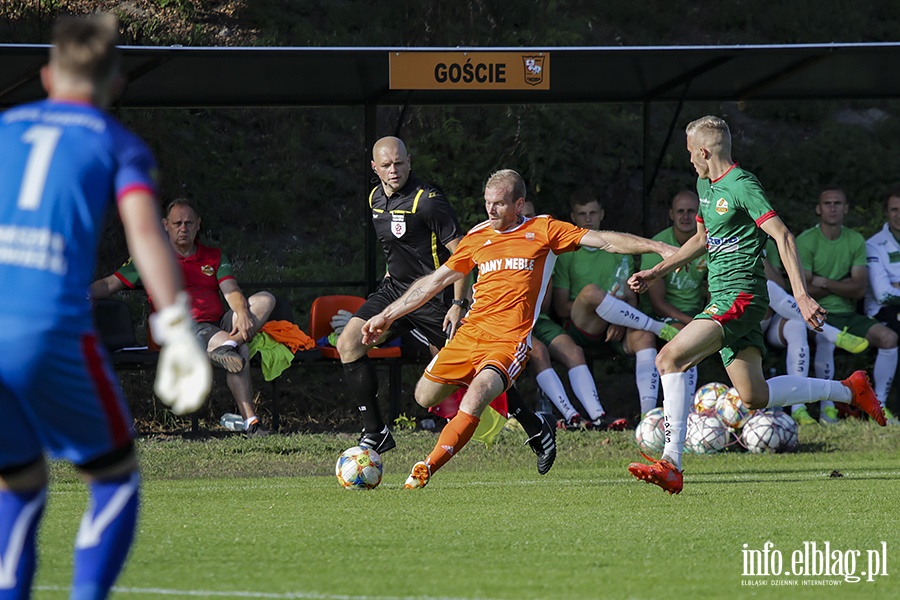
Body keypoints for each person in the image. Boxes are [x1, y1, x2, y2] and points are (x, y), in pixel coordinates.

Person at [0, 13, 210, 599]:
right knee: (114, 480)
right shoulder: (116, 143)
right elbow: (146, 235)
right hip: (48, 330)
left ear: (46, 76)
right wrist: (175, 324)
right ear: (115, 82)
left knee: (16, 481)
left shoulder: (4, 128)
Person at [360, 169, 677, 489]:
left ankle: (426, 467)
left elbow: (605, 240)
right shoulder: (477, 236)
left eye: (498, 204)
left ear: (519, 204)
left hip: (509, 340)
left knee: (476, 396)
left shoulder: (544, 229)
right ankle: (538, 424)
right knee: (424, 395)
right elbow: (434, 282)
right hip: (470, 334)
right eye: (487, 203)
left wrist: (659, 248)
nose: (490, 210)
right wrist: (387, 314)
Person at [627, 116, 885, 495]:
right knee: (754, 395)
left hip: (741, 296)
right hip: (724, 297)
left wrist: (800, 295)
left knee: (669, 359)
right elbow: (702, 238)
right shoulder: (704, 184)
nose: (689, 161)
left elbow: (782, 235)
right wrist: (659, 271)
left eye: (690, 154)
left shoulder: (743, 185)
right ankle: (849, 389)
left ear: (703, 151)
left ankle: (672, 462)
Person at [337, 138, 554, 464]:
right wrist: (388, 279)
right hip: (395, 290)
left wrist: (458, 304)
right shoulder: (375, 198)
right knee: (348, 343)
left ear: (410, 161)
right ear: (374, 168)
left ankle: (534, 426)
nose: (394, 170)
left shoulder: (429, 201)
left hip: (434, 297)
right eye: (386, 165)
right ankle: (376, 432)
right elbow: (394, 247)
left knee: (481, 365)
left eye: (399, 163)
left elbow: (462, 255)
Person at [91, 198, 274, 436]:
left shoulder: (213, 256)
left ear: (199, 225)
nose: (183, 228)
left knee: (265, 300)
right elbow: (109, 283)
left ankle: (227, 345)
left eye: (188, 223)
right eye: (177, 223)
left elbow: (232, 291)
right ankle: (252, 422)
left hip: (217, 325)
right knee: (243, 352)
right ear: (165, 225)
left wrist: (240, 312)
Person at [551, 190, 679, 418]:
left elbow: (631, 298)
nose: (588, 218)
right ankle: (658, 327)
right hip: (583, 324)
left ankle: (647, 418)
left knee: (644, 338)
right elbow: (561, 307)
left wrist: (618, 316)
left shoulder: (620, 249)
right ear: (573, 217)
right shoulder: (566, 253)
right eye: (582, 214)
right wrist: (609, 311)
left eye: (592, 213)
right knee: (591, 292)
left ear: (602, 214)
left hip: (620, 322)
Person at [795, 187, 897, 424]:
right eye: (828, 203)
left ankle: (878, 405)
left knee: (889, 338)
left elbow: (859, 288)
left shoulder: (855, 240)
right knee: (825, 338)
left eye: (838, 203)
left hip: (848, 314)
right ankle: (827, 408)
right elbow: (805, 289)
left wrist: (825, 281)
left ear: (846, 209)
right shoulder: (806, 240)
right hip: (818, 313)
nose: (833, 208)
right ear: (819, 209)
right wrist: (841, 284)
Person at [523, 201, 623, 430]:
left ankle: (598, 417)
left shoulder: (541, 249)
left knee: (573, 350)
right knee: (537, 351)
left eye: (531, 216)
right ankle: (571, 416)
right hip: (510, 323)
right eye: (522, 216)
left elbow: (545, 304)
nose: (526, 221)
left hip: (539, 320)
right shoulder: (500, 246)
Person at [638, 190, 708, 414]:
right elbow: (658, 304)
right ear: (671, 214)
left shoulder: (709, 243)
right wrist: (694, 322)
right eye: (680, 211)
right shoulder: (658, 247)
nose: (686, 216)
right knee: (685, 341)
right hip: (667, 317)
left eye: (691, 211)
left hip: (700, 316)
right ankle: (685, 413)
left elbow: (713, 288)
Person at [863, 187, 900, 423]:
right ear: (886, 212)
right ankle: (881, 406)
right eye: (895, 209)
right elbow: (883, 293)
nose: (899, 215)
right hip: (879, 311)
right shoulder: (874, 244)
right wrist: (893, 286)